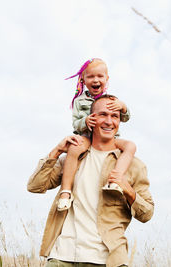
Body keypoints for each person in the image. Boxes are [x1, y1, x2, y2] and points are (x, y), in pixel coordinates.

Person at [27, 95, 154, 267]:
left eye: (115, 116)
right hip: (63, 256)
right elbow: (35, 186)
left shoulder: (133, 165)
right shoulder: (74, 157)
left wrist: (127, 189)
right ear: (91, 119)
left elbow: (146, 214)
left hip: (107, 259)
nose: (109, 121)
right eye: (103, 114)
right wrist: (56, 151)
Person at [58, 58, 136, 211]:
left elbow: (125, 118)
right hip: (88, 138)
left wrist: (123, 106)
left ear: (106, 79)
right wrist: (86, 121)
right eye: (91, 77)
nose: (96, 80)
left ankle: (115, 180)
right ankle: (66, 192)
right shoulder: (80, 101)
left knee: (130, 146)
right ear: (83, 80)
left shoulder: (112, 100)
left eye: (100, 76)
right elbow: (76, 123)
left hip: (110, 140)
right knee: (74, 148)